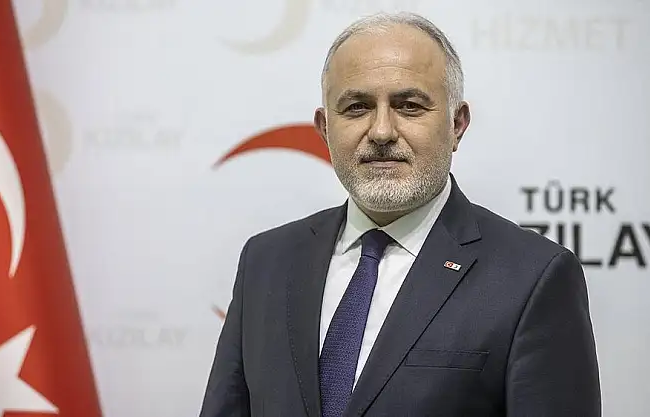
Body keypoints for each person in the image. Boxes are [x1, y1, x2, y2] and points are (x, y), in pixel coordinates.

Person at [199, 11, 601, 417]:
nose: (381, 131)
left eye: (409, 106)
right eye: (356, 107)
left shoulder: (532, 277)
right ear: (324, 129)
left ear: (457, 125)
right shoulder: (266, 260)